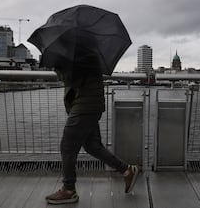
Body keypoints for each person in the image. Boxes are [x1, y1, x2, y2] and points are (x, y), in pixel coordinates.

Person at [45, 57, 139, 205]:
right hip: (91, 105)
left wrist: (58, 66)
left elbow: (69, 79)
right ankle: (127, 171)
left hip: (84, 106)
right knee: (92, 146)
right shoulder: (88, 51)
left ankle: (69, 190)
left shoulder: (77, 54)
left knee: (67, 147)